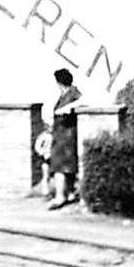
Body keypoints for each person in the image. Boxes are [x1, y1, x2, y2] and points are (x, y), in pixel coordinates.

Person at [46, 67, 83, 209]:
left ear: (59, 82)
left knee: (59, 167)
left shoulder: (73, 93)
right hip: (62, 134)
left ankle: (60, 197)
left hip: (65, 136)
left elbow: (84, 101)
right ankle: (69, 193)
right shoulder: (65, 94)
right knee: (66, 167)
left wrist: (67, 108)